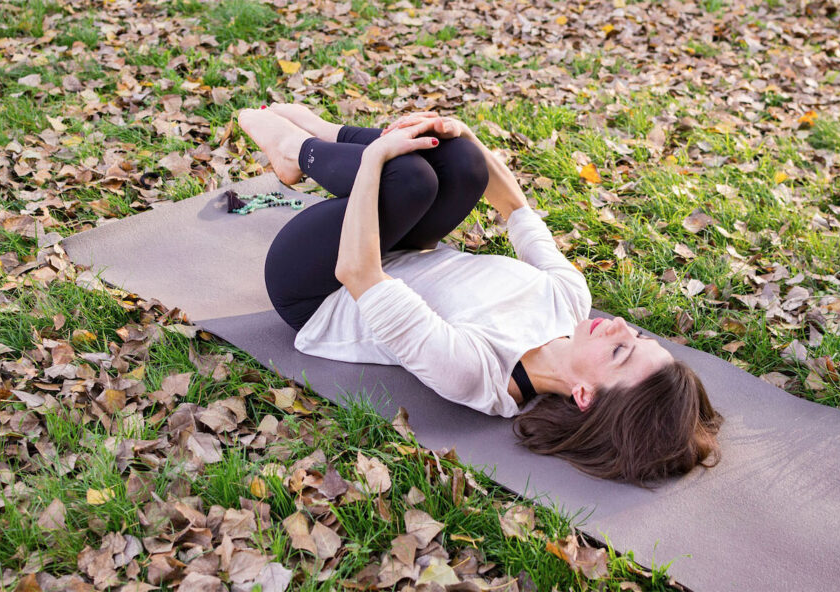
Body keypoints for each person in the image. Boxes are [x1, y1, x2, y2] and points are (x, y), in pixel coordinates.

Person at [238, 104, 723, 487]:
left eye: (620, 351)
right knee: (464, 162)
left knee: (408, 179)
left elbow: (357, 271)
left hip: (321, 287)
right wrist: (464, 133)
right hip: (403, 247)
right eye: (636, 336)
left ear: (583, 396)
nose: (618, 326)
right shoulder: (569, 301)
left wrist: (375, 159)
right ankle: (327, 132)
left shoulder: (481, 373)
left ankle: (294, 148)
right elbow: (514, 206)